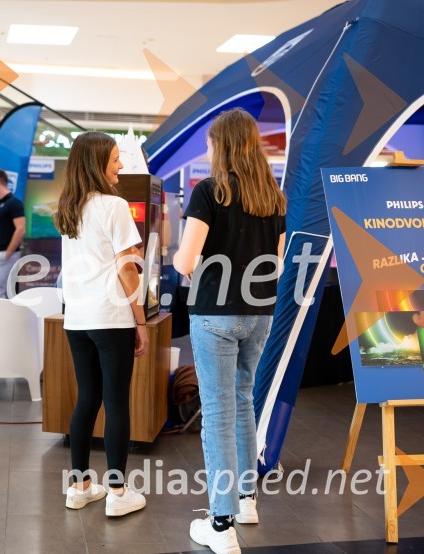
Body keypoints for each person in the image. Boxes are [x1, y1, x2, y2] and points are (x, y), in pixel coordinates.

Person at [174, 108, 286, 554]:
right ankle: (246, 500)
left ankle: (220, 526)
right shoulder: (273, 196)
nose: (206, 150)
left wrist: (206, 273)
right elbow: (274, 263)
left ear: (221, 146)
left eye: (209, 143)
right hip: (260, 313)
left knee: (218, 413)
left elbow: (184, 262)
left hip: (215, 313)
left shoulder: (208, 192)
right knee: (242, 403)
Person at [55, 132, 149, 517]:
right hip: (112, 317)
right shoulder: (114, 206)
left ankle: (78, 487)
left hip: (77, 318)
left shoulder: (68, 208)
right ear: (97, 164)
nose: (121, 166)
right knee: (116, 402)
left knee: (87, 398)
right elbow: (128, 268)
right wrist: (140, 319)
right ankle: (117, 491)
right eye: (114, 160)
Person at [0, 169, 25, 298]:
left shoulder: (14, 204)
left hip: (6, 254)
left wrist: (8, 253)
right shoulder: (1, 204)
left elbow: (20, 229)